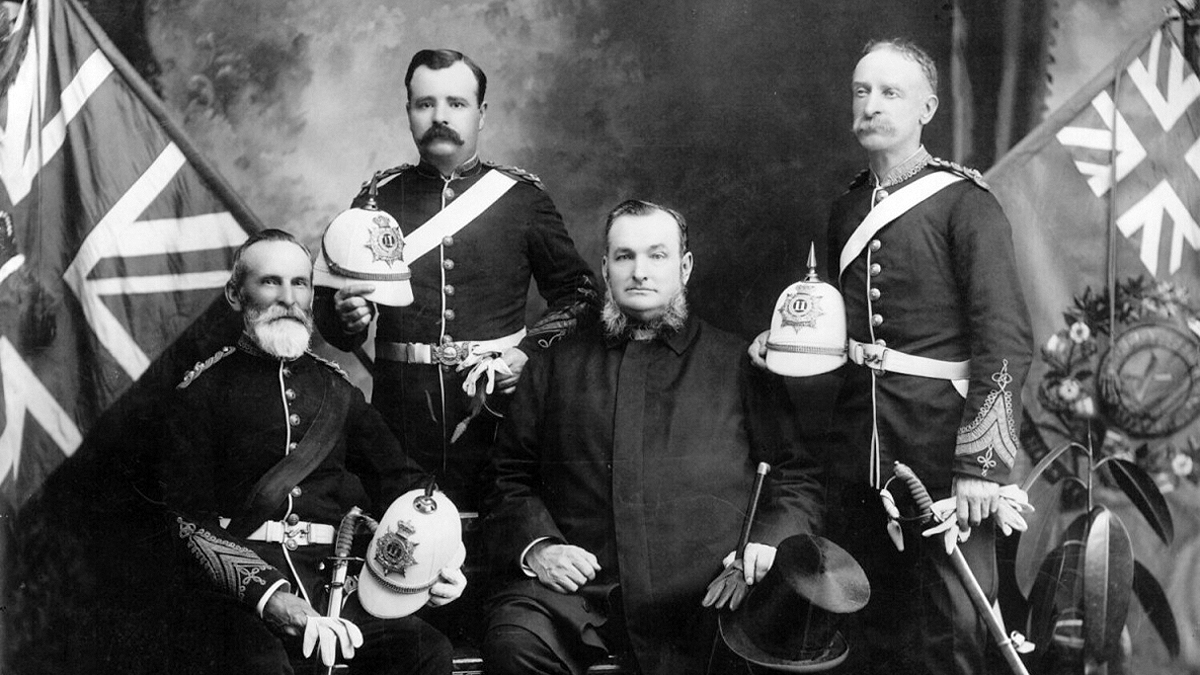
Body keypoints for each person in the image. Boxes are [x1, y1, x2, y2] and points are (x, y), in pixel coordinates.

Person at [751, 39, 1033, 675]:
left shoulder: (967, 204)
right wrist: (785, 346)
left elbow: (1007, 341)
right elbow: (842, 333)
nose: (870, 105)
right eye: (861, 91)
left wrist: (981, 465)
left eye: (889, 93)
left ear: (927, 107)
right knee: (869, 630)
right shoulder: (848, 207)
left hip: (943, 455)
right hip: (858, 453)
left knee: (953, 635)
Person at [481, 200, 825, 675]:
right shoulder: (554, 363)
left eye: (656, 256)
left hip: (707, 593)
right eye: (624, 257)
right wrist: (539, 547)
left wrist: (768, 541)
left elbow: (795, 475)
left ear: (684, 267)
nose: (639, 271)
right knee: (513, 642)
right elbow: (508, 478)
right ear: (604, 268)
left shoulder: (738, 362)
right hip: (582, 596)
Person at [163, 229, 466, 674]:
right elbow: (185, 518)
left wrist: (444, 553)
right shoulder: (203, 391)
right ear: (234, 293)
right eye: (270, 282)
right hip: (240, 599)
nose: (287, 297)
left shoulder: (337, 389)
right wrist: (268, 597)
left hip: (336, 585)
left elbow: (404, 482)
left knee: (425, 651)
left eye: (299, 283)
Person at [314, 49, 599, 513]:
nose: (440, 116)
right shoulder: (376, 200)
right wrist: (347, 320)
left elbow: (579, 296)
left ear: (481, 114)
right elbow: (328, 318)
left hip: (495, 412)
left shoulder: (521, 200)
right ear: (408, 111)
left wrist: (528, 356)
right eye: (425, 104)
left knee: (501, 535)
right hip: (398, 420)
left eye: (456, 104)